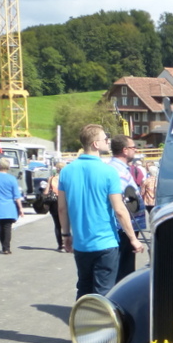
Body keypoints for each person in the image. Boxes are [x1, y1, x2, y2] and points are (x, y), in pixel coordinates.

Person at [58, 125, 144, 298]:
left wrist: (66, 235)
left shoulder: (66, 171)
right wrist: (133, 239)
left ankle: (82, 322)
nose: (108, 142)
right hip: (105, 242)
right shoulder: (108, 172)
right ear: (96, 144)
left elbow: (62, 208)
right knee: (104, 291)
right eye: (105, 139)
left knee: (83, 288)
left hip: (82, 243)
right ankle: (103, 324)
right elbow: (119, 210)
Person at [106, 134, 147, 282]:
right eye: (133, 147)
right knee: (124, 272)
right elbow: (121, 204)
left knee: (123, 269)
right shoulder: (118, 171)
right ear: (125, 150)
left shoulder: (119, 169)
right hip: (123, 229)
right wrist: (132, 237)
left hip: (125, 228)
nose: (135, 150)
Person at [0, 157, 24, 254]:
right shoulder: (12, 179)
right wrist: (20, 208)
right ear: (8, 167)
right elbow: (17, 196)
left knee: (1, 226)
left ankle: (4, 247)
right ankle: (6, 248)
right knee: (7, 227)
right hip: (10, 206)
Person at [46, 161, 66, 251]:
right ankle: (67, 243)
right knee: (66, 223)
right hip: (65, 201)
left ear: (57, 169)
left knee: (57, 225)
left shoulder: (51, 178)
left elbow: (46, 192)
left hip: (54, 202)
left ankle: (60, 245)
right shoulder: (67, 179)